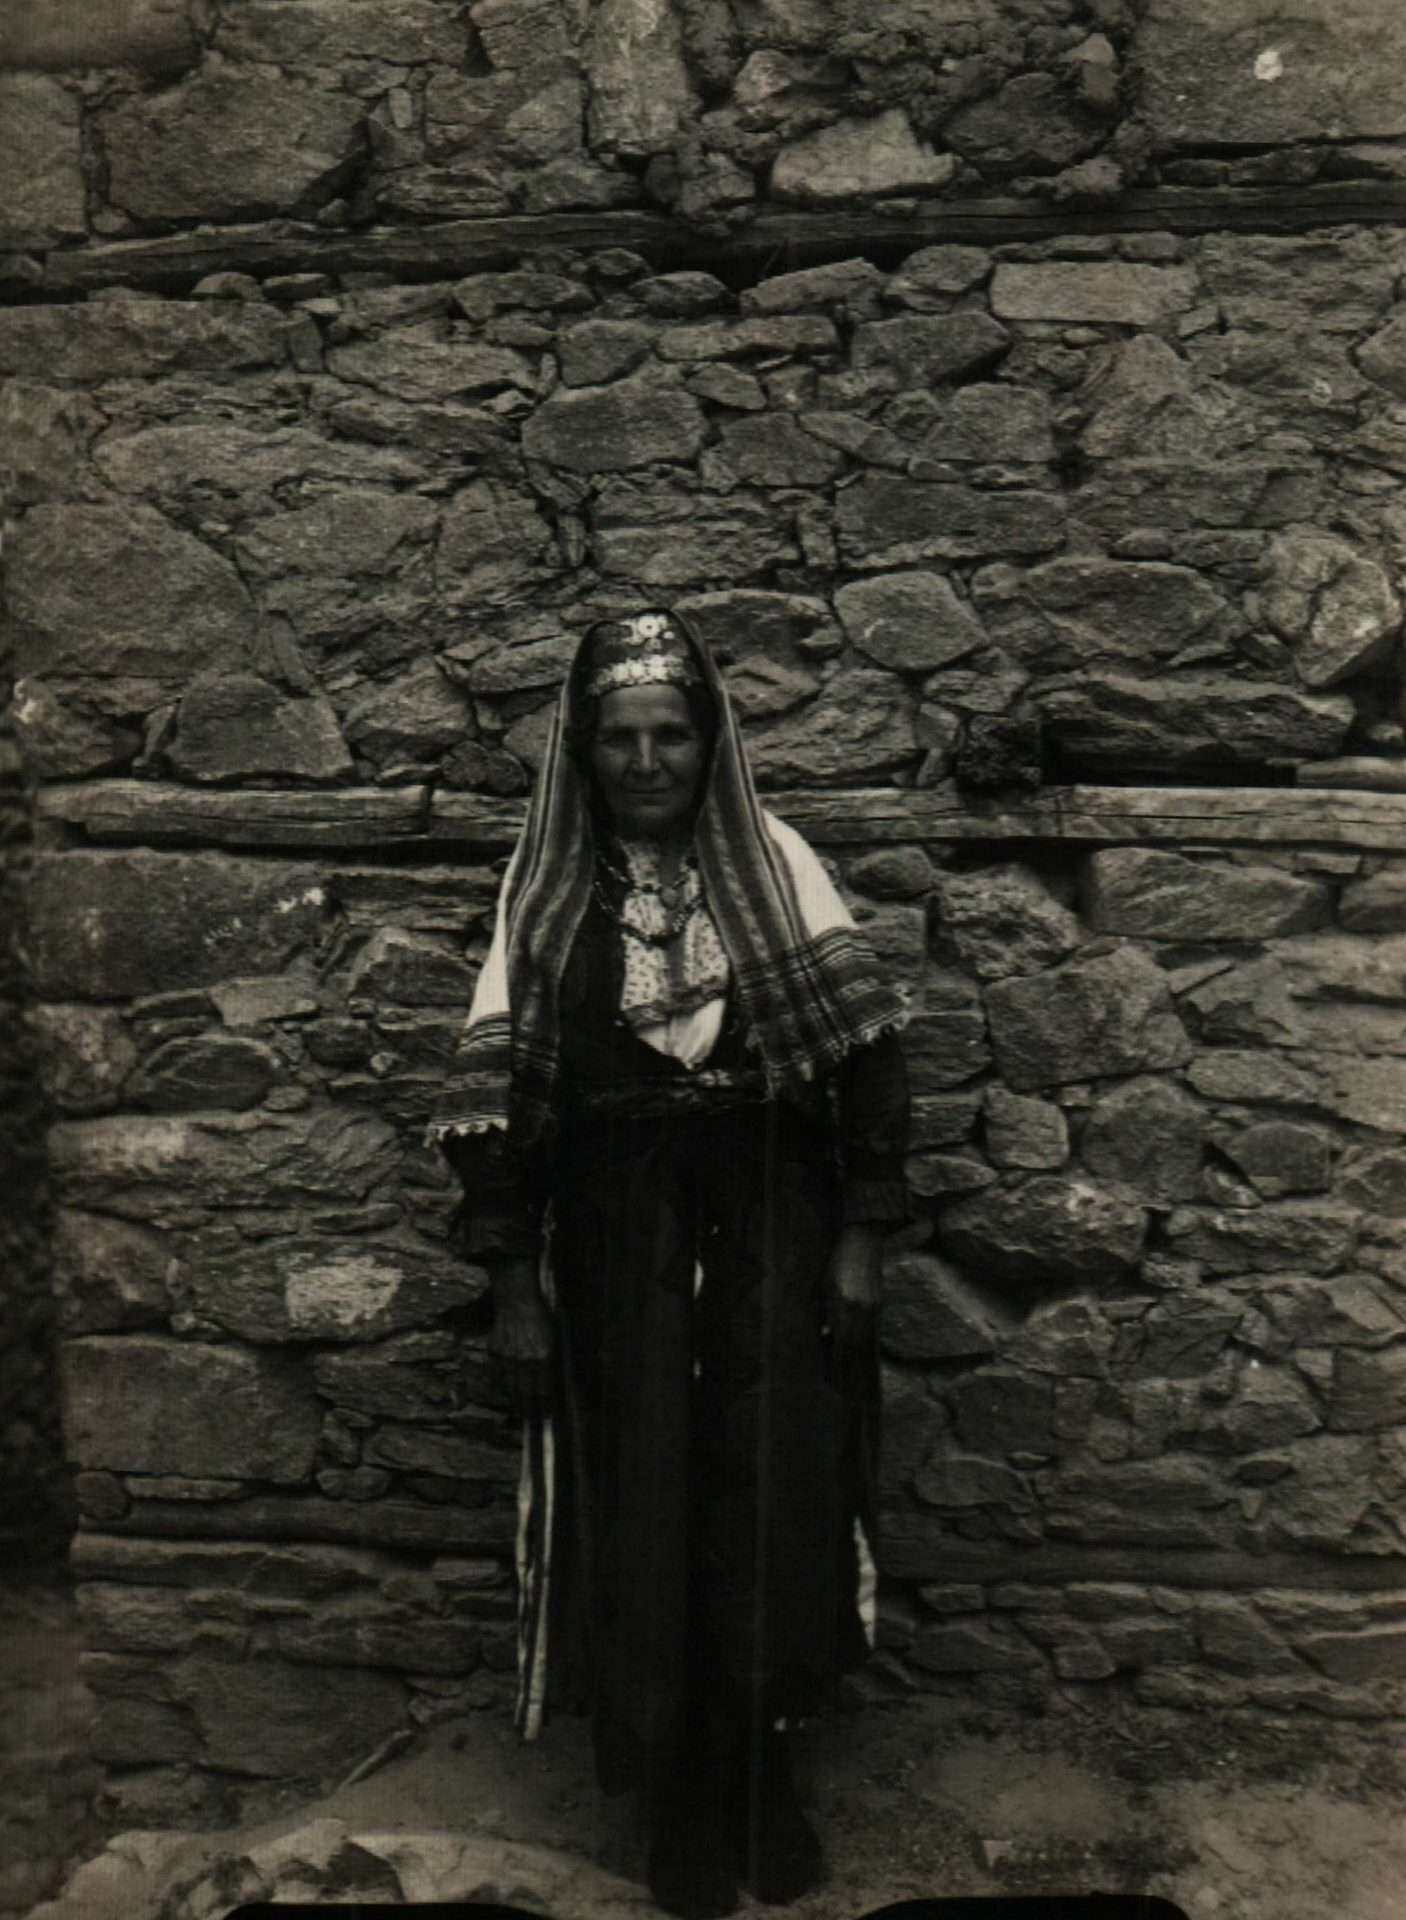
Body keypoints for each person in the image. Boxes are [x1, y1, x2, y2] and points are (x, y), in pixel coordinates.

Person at [430, 608, 909, 1918]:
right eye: (619, 739)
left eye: (671, 735)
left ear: (711, 743)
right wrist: (515, 1287)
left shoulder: (776, 864)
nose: (647, 762)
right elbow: (498, 1101)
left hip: (772, 1214)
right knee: (641, 1493)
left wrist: (861, 1237)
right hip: (615, 1227)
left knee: (773, 1482)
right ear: (583, 753)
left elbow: (868, 1059)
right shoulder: (547, 889)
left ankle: (764, 1772)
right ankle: (677, 1793)